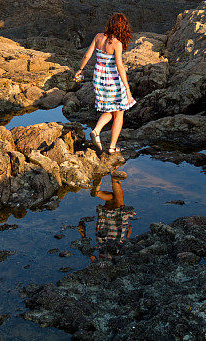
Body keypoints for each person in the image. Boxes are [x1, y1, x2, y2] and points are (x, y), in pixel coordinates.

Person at [74, 13, 136, 154]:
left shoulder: (98, 37)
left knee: (109, 109)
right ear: (122, 28)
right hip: (112, 80)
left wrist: (80, 69)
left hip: (98, 78)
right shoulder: (117, 43)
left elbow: (87, 55)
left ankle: (96, 131)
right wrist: (127, 88)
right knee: (119, 112)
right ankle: (112, 147)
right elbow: (120, 66)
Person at [77, 171, 135, 260]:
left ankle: (114, 174)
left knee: (120, 204)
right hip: (101, 238)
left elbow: (124, 251)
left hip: (116, 238)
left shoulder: (115, 267)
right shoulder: (99, 266)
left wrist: (127, 235)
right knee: (111, 200)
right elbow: (89, 253)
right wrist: (83, 235)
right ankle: (98, 193)